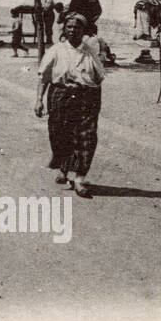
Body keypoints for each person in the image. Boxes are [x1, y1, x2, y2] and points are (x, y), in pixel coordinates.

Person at [34, 12, 105, 198]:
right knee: (60, 134)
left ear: (83, 31)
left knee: (86, 136)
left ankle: (80, 178)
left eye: (78, 28)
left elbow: (99, 76)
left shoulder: (90, 51)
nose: (73, 30)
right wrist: (38, 100)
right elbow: (44, 76)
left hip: (86, 97)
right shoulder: (56, 50)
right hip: (61, 95)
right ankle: (64, 167)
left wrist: (85, 85)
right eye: (70, 27)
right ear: (64, 29)